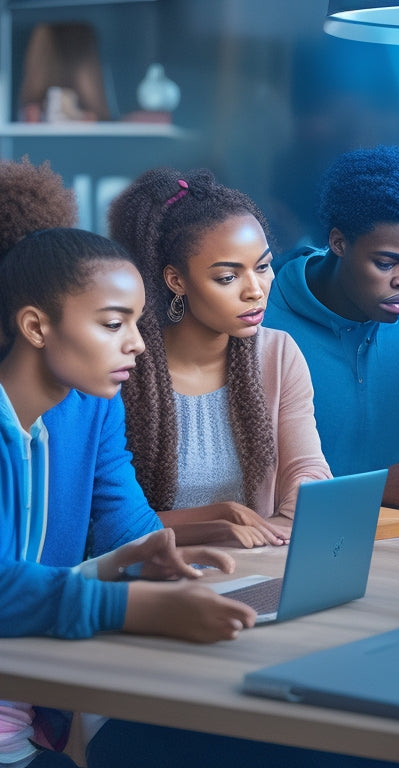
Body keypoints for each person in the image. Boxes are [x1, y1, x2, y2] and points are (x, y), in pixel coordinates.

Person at [0, 220, 260, 767]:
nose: (139, 342)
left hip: (30, 717)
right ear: (35, 326)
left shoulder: (93, 404)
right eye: (114, 323)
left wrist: (152, 563)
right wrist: (133, 605)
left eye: (137, 321)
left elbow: (127, 523)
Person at [108, 167, 331, 548]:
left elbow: (306, 470)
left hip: (253, 561)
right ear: (176, 280)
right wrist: (214, 520)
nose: (255, 290)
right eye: (228, 277)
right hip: (155, 575)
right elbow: (110, 523)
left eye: (262, 267)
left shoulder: (277, 354)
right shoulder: (123, 366)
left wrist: (283, 532)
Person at [264, 144, 399, 511]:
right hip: (290, 543)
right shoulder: (263, 318)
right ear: (338, 242)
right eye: (387, 263)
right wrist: (374, 489)